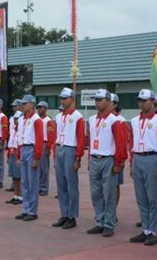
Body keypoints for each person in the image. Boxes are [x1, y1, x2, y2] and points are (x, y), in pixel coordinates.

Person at [128, 89, 157, 246]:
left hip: (152, 158)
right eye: (140, 100)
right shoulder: (134, 121)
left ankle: (153, 231)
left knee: (153, 198)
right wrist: (132, 163)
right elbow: (132, 143)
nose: (142, 103)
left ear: (153, 102)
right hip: (138, 158)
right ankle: (145, 229)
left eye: (145, 100)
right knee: (141, 198)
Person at [86, 89, 126, 237]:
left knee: (109, 193)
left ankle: (109, 223)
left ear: (109, 102)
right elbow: (90, 141)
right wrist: (90, 157)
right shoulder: (91, 119)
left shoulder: (115, 121)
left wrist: (118, 163)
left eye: (100, 99)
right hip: (95, 158)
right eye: (96, 99)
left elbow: (121, 143)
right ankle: (100, 221)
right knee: (95, 193)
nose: (97, 102)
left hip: (108, 159)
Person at [52, 88, 85, 229]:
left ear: (72, 99)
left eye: (65, 98)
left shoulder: (78, 116)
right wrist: (55, 154)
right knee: (61, 185)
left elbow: (81, 138)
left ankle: (72, 216)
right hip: (60, 148)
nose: (62, 101)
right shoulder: (59, 117)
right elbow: (55, 136)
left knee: (71, 185)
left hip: (71, 149)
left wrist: (78, 158)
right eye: (61, 98)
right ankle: (64, 213)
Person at [14, 95, 43, 222]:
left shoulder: (36, 120)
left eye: (25, 104)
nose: (23, 106)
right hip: (23, 148)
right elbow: (20, 138)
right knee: (25, 182)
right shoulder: (21, 120)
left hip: (31, 149)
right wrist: (19, 155)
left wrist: (37, 156)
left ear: (32, 104)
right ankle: (25, 208)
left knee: (32, 182)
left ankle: (32, 210)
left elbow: (39, 139)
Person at [36, 101, 56, 196]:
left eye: (41, 107)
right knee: (37, 167)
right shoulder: (36, 119)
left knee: (44, 168)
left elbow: (51, 135)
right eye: (38, 107)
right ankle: (38, 186)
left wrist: (48, 147)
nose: (39, 109)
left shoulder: (48, 120)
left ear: (46, 109)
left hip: (44, 144)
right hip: (36, 144)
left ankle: (44, 187)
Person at [5, 111, 23, 205]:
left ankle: (20, 196)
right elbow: (10, 144)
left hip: (18, 153)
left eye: (17, 119)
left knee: (19, 177)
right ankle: (15, 195)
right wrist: (8, 155)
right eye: (15, 119)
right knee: (14, 177)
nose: (15, 120)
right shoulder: (14, 130)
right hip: (12, 152)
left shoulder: (22, 130)